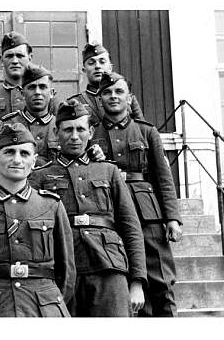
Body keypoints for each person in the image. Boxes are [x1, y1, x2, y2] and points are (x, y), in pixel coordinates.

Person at [30, 100, 147, 317]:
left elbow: (130, 227)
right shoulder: (40, 176)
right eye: (68, 129)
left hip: (109, 265)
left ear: (91, 131)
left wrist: (137, 281)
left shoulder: (109, 171)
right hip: (61, 267)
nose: (74, 136)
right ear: (56, 132)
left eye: (80, 129)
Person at [0, 123, 76, 317]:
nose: (17, 160)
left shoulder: (51, 205)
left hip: (44, 307)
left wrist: (50, 302)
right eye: (9, 152)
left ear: (34, 161)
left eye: (24, 154)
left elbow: (67, 270)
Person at [90, 71, 182, 317]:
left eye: (119, 92)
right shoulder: (91, 135)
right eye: (107, 93)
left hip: (147, 213)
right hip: (112, 211)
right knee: (126, 279)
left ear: (129, 98)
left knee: (160, 279)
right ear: (99, 100)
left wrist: (171, 218)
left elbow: (163, 176)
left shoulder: (147, 132)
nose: (113, 97)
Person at [0, 31, 62, 118]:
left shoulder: (46, 96)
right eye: (9, 56)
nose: (15, 61)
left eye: (20, 56)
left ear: (30, 58)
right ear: (1, 60)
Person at [68, 42, 144, 126]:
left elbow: (141, 130)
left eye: (102, 62)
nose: (97, 66)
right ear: (84, 70)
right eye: (91, 63)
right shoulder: (77, 101)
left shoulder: (127, 98)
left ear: (110, 67)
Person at [2, 64, 59, 165]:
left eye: (42, 87)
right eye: (32, 87)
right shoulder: (8, 124)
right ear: (22, 94)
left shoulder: (61, 126)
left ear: (51, 93)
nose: (37, 92)